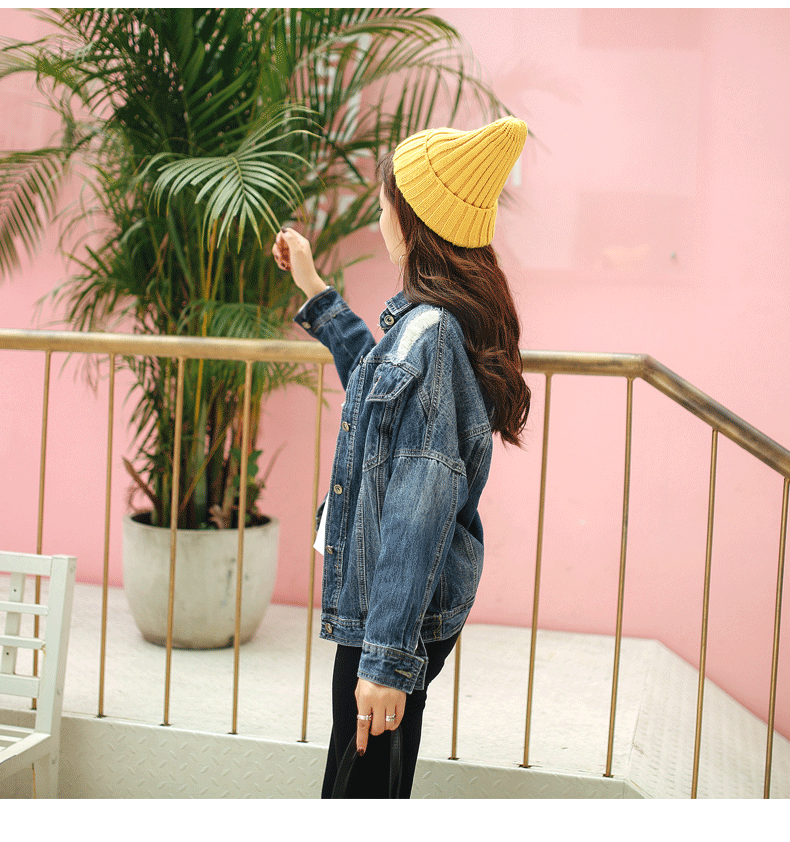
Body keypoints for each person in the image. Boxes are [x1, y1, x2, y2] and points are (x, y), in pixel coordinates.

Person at [273, 116, 531, 798]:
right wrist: (315, 290)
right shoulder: (428, 326)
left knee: (358, 795)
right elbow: (378, 389)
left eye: (386, 201)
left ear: (412, 219)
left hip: (389, 618)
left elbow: (420, 504)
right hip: (392, 608)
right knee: (371, 787)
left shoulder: (432, 335)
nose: (380, 214)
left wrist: (385, 661)